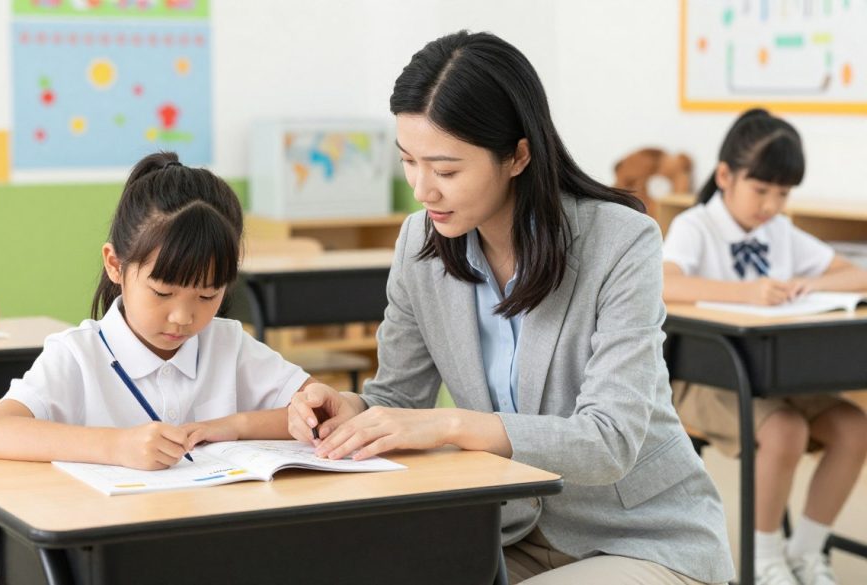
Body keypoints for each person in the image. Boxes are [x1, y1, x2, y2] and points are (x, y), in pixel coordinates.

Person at [288, 31, 733, 584]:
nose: (423, 190)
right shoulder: (418, 244)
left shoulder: (621, 241)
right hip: (505, 536)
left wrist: (451, 424)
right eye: (409, 162)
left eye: (447, 170)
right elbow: (398, 398)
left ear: (518, 155)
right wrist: (351, 411)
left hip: (639, 537)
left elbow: (609, 441)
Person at [0, 152, 332, 470]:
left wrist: (234, 426)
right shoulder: (78, 354)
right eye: (162, 292)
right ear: (115, 265)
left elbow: (318, 409)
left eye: (207, 296)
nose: (183, 317)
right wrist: (117, 446)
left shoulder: (227, 342)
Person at [663, 108, 867, 585]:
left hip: (774, 374)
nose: (772, 205)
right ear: (725, 176)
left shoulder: (779, 231)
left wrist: (804, 284)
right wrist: (746, 292)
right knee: (786, 430)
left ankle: (806, 553)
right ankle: (765, 559)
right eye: (762, 190)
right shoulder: (696, 226)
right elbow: (662, 284)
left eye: (783, 193)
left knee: (855, 427)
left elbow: (855, 273)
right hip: (704, 376)